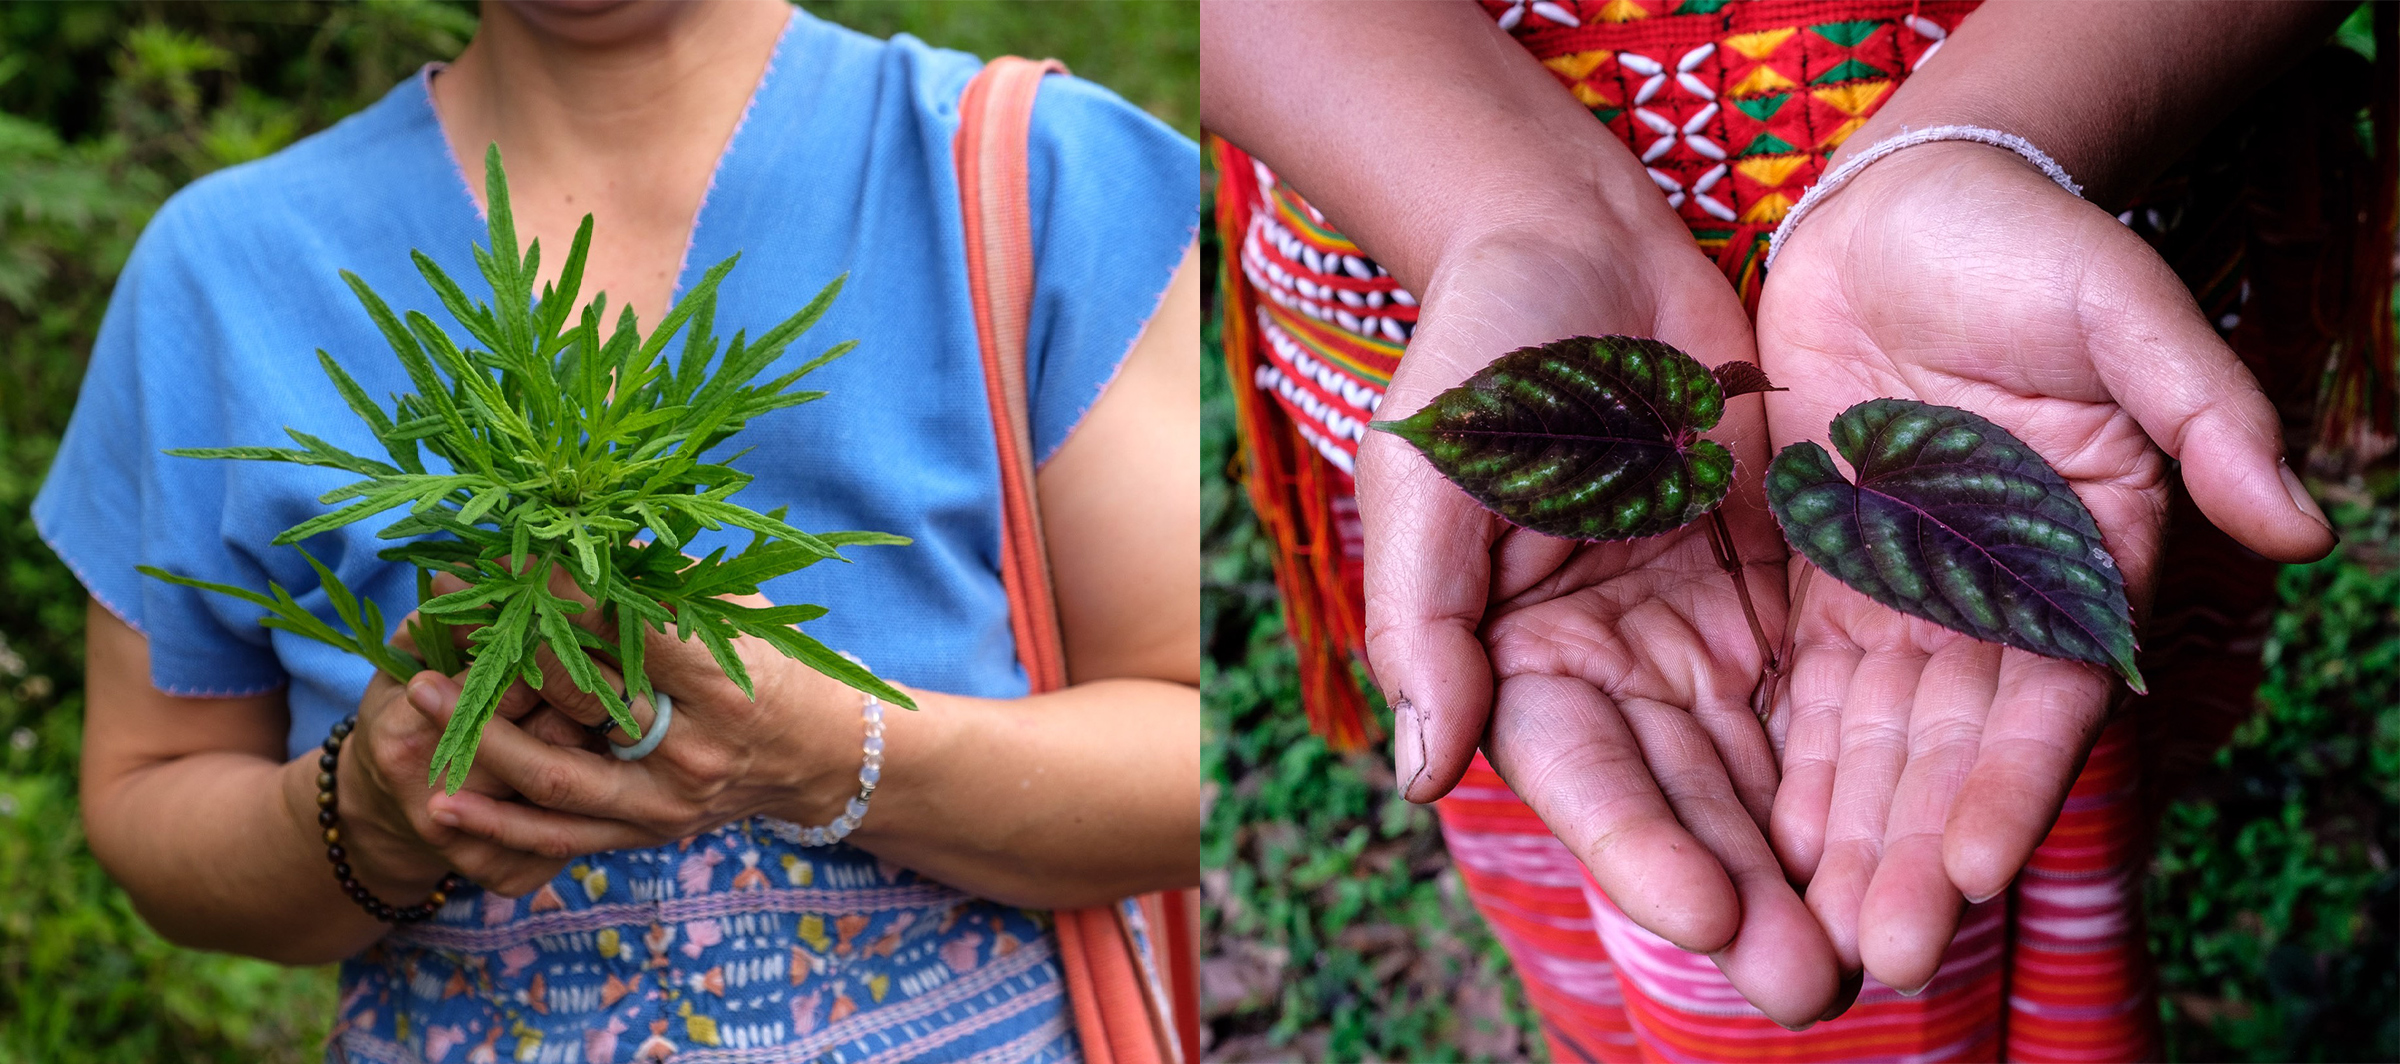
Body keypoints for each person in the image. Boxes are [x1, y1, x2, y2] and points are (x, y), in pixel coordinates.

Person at [1205, 0, 2385, 1057]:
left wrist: (1987, 137)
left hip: (2054, 252)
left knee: (2009, 801)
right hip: (1415, 220)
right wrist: (1509, 212)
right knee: (1654, 871)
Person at [39, 1, 1200, 1060]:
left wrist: (828, 751)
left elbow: (1198, 753)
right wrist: (365, 816)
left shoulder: (1034, 179)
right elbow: (153, 797)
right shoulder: (220, 266)